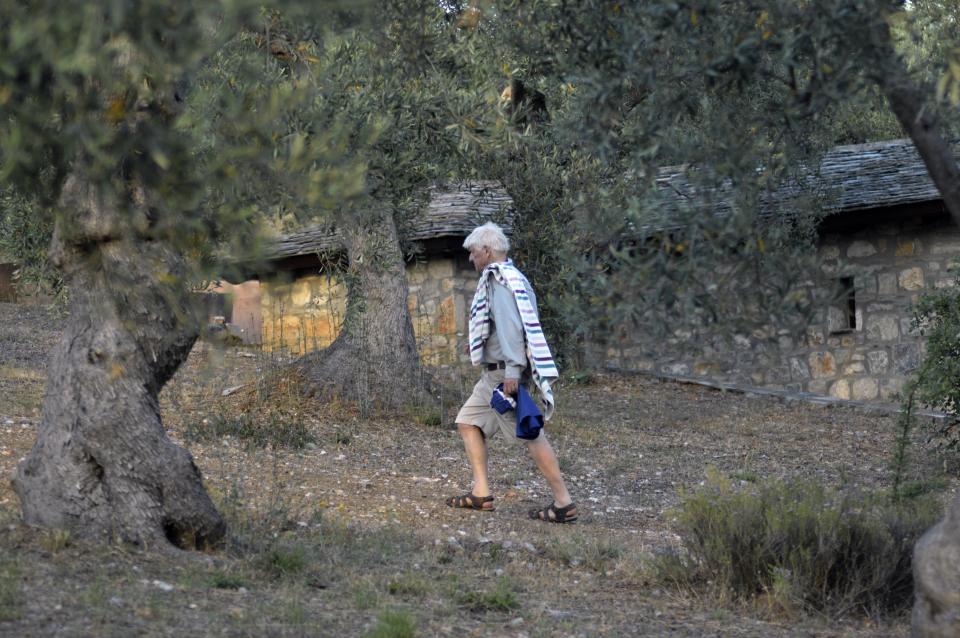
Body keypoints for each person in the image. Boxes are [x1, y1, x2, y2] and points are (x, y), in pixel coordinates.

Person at [446, 222, 577, 523]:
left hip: (503, 374)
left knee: (531, 433)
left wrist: (513, 373)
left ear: (488, 251)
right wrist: (483, 341)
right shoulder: (515, 278)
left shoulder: (499, 280)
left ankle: (563, 502)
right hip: (497, 371)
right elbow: (507, 324)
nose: (470, 258)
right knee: (468, 422)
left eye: (474, 252)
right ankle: (481, 492)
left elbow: (511, 327)